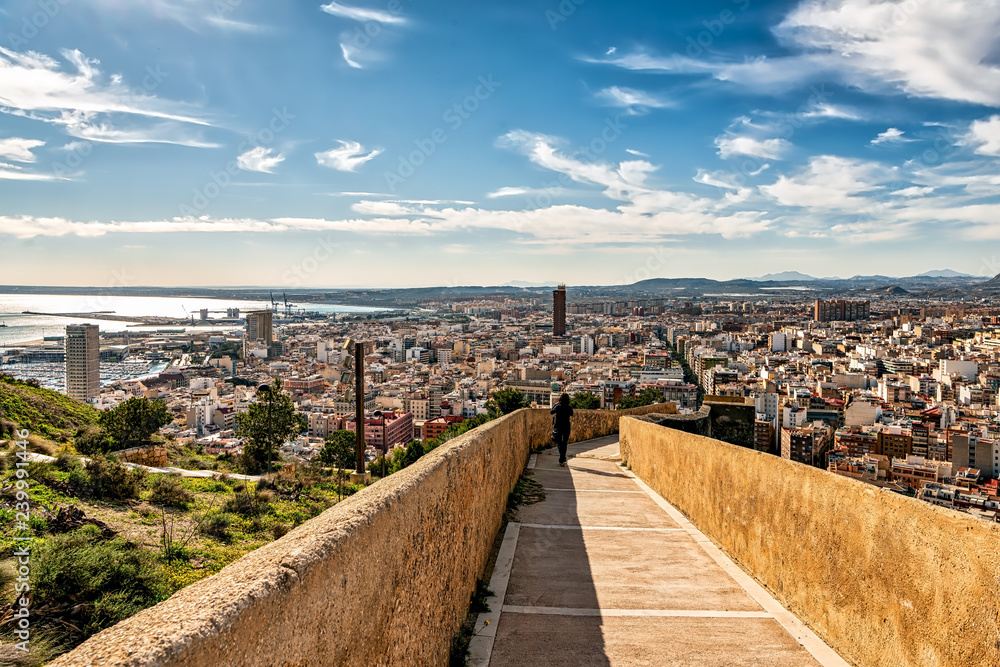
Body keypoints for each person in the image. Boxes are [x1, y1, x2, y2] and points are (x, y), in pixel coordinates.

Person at [550, 393, 574, 467]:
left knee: (559, 442)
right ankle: (562, 459)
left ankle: (562, 458)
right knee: (564, 443)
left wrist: (555, 404)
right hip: (566, 426)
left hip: (559, 427)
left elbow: (551, 412)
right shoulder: (569, 407)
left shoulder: (558, 407)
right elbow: (572, 414)